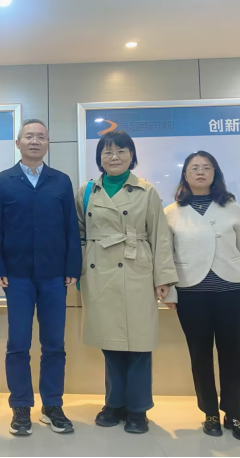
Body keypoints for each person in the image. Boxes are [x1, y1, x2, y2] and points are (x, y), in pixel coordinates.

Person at [76, 131, 178, 435]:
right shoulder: (87, 191)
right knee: (110, 344)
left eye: (121, 151)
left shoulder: (146, 190)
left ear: (132, 156)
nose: (114, 157)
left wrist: (164, 278)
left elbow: (160, 235)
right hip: (98, 271)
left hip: (137, 271)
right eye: (107, 152)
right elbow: (77, 234)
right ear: (99, 158)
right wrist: (79, 271)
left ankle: (138, 409)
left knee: (139, 345)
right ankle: (114, 404)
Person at [0, 119, 81, 437]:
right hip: (16, 276)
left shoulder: (61, 181)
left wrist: (72, 267)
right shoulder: (2, 181)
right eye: (29, 136)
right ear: (18, 143)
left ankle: (52, 405)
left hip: (54, 274)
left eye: (41, 136)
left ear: (47, 143)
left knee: (54, 343)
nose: (35, 141)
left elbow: (71, 227)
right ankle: (20, 406)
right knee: (18, 343)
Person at [164, 151, 240, 442]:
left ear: (215, 173)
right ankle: (209, 412)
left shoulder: (231, 207)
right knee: (200, 355)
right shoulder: (172, 212)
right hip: (192, 294)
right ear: (185, 175)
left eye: (206, 167)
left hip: (233, 292)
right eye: (194, 168)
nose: (200, 172)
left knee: (232, 355)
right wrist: (169, 291)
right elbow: (166, 256)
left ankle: (234, 414)